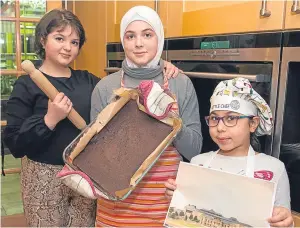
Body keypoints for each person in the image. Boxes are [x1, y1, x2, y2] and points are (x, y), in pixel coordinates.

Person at [3, 8, 180, 227]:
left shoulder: (88, 81)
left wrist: (160, 67)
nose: (68, 47)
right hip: (43, 178)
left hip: (86, 174)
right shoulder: (27, 84)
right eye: (60, 38)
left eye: (74, 42)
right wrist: (50, 119)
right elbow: (14, 143)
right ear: (42, 40)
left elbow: (125, 85)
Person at [91, 5, 202, 227]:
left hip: (166, 206)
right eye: (130, 36)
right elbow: (94, 158)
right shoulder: (105, 88)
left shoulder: (180, 84)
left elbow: (195, 150)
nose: (139, 43)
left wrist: (170, 120)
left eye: (147, 35)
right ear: (123, 42)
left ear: (159, 38)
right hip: (116, 207)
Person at [165, 77, 294, 227]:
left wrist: (285, 222)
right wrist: (175, 199)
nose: (220, 128)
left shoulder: (273, 168)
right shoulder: (197, 163)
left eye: (231, 118)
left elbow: (283, 220)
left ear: (253, 124)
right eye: (214, 118)